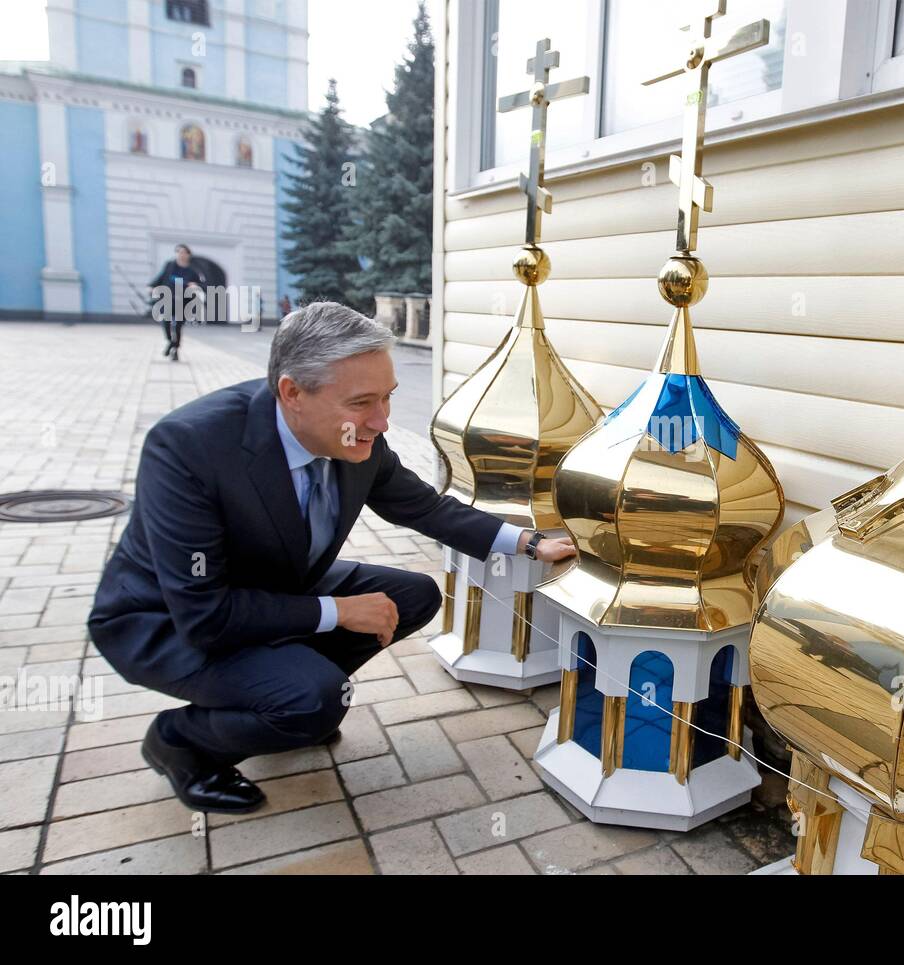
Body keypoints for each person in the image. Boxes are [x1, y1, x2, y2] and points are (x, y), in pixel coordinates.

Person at [87, 302, 577, 814]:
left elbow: (424, 506)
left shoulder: (356, 438)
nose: (382, 422)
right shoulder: (189, 446)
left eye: (387, 398)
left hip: (271, 589)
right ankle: (183, 743)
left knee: (412, 596)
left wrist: (528, 543)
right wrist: (338, 613)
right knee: (312, 697)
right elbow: (203, 612)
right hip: (166, 620)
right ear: (293, 393)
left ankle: (289, 699)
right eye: (362, 402)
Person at [149, 244, 204, 362]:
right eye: (179, 252)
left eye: (184, 252)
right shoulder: (170, 266)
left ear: (188, 255)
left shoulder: (192, 271)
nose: (181, 255)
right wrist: (152, 286)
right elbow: (161, 277)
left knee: (178, 326)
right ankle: (171, 342)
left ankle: (175, 350)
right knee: (166, 322)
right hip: (168, 298)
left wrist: (195, 285)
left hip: (183, 302)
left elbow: (201, 285)